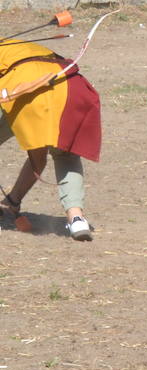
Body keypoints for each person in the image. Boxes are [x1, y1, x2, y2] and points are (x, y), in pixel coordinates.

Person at [0, 35, 101, 241]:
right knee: (65, 155)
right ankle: (76, 219)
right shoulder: (20, 45)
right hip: (68, 86)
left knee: (41, 150)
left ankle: (12, 202)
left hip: (28, 88)